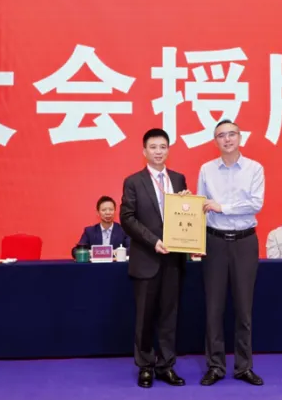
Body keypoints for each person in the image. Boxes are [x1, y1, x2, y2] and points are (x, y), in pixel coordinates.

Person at [119, 128, 189, 388]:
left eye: (163, 147)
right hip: (147, 258)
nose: (158, 151)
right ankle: (146, 366)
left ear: (168, 150)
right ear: (144, 151)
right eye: (153, 147)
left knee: (170, 316)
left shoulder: (179, 179)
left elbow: (186, 215)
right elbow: (127, 218)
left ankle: (166, 366)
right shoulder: (133, 181)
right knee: (145, 317)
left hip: (174, 260)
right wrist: (153, 241)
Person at [197, 120, 264, 387]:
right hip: (214, 242)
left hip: (244, 242)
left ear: (240, 137)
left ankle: (243, 367)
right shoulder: (206, 169)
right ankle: (215, 366)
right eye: (221, 136)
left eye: (231, 134)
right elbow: (202, 206)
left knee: (243, 309)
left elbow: (255, 204)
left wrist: (222, 207)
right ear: (215, 141)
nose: (227, 139)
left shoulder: (254, 168)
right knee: (213, 309)